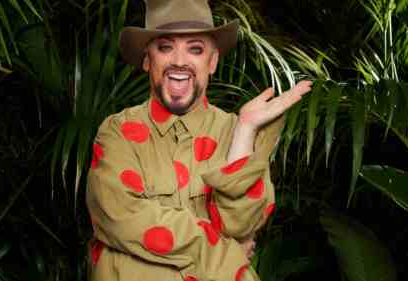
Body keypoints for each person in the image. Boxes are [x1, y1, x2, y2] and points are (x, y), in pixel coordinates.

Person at [85, 0, 312, 280]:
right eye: (165, 47)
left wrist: (244, 131)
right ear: (147, 59)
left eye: (195, 49)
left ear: (213, 61)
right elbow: (120, 217)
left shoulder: (235, 130)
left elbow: (240, 225)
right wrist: (222, 255)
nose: (180, 60)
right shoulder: (117, 131)